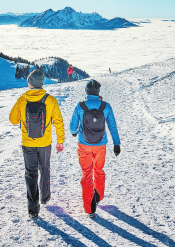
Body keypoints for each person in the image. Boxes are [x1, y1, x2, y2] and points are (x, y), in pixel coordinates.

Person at [9, 69, 65, 219]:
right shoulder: (50, 100)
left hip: (27, 143)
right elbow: (58, 122)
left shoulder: (22, 99)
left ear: (31, 84)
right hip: (45, 142)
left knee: (31, 173)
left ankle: (33, 208)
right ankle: (45, 197)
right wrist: (60, 140)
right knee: (45, 168)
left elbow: (13, 119)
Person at [70, 79, 120, 218]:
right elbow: (112, 126)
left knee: (86, 174)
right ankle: (98, 195)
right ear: (98, 91)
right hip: (100, 146)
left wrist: (74, 132)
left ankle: (89, 208)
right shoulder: (106, 106)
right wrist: (116, 144)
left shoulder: (80, 106)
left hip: (84, 145)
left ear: (86, 91)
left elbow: (72, 127)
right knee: (98, 170)